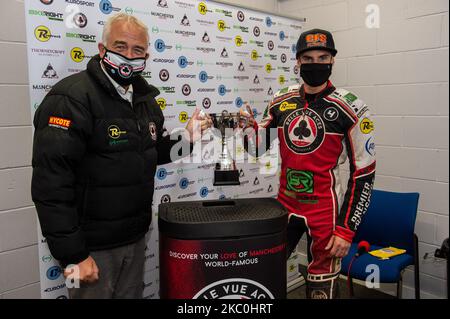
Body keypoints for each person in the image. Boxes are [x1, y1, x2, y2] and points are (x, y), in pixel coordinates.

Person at [31, 13, 212, 299]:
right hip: (89, 250)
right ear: (102, 50)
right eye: (120, 47)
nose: (129, 56)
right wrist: (74, 255)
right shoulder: (71, 98)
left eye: (137, 50)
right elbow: (51, 183)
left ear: (146, 56)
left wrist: (187, 138)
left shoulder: (145, 100)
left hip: (134, 239)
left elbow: (150, 151)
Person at [240, 28, 376, 299]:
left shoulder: (352, 107)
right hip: (285, 206)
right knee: (262, 278)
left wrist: (346, 230)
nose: (316, 64)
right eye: (309, 58)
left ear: (332, 61)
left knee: (320, 289)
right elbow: (256, 148)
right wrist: (245, 127)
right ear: (298, 62)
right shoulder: (281, 99)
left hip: (326, 211)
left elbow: (364, 173)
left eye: (323, 57)